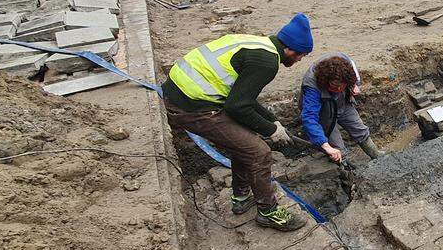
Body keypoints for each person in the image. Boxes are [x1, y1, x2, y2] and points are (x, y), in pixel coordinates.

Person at [162, 14, 314, 231]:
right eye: (302, 55)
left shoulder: (259, 45)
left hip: (184, 93)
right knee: (259, 152)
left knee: (244, 143)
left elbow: (244, 98)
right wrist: (270, 130)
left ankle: (241, 197)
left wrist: (274, 121)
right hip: (190, 106)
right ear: (291, 50)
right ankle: (268, 212)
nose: (300, 60)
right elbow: (237, 106)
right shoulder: (267, 63)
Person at [299, 53, 381, 163]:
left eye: (340, 86)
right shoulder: (312, 86)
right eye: (334, 86)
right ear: (326, 81)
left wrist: (354, 85)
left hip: (342, 101)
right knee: (336, 147)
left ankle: (376, 155)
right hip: (323, 108)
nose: (337, 88)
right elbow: (309, 118)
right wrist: (326, 146)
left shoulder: (346, 64)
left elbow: (355, 78)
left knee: (358, 128)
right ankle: (346, 168)